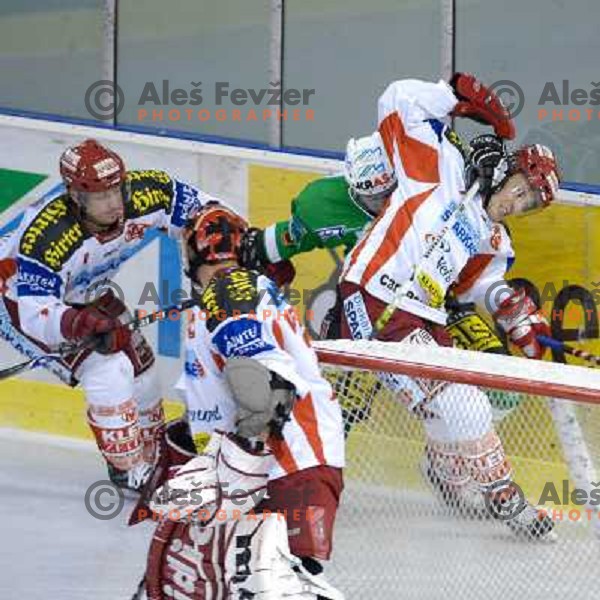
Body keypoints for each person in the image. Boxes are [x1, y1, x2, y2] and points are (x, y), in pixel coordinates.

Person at [337, 74, 560, 539]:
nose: (518, 205)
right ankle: (502, 493)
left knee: (454, 402)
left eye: (530, 205)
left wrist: (519, 317)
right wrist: (456, 97)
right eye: (521, 189)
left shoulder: (492, 236)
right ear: (504, 170)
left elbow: (485, 286)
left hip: (419, 316)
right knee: (466, 405)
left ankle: (447, 476)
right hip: (373, 295)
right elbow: (396, 99)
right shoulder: (441, 165)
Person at [142, 204, 345, 598]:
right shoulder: (237, 293)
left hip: (286, 460)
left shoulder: (225, 293)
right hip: (282, 459)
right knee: (251, 580)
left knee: (275, 582)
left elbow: (264, 390)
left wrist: (239, 456)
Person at [1, 139, 223, 491]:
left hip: (87, 294)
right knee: (109, 369)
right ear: (75, 197)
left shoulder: (146, 192)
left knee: (145, 374)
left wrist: (228, 246)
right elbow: (35, 311)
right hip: (20, 302)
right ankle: (131, 469)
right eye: (101, 196)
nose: (114, 203)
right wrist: (80, 323)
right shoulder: (47, 236)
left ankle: (155, 457)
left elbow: (204, 211)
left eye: (117, 190)